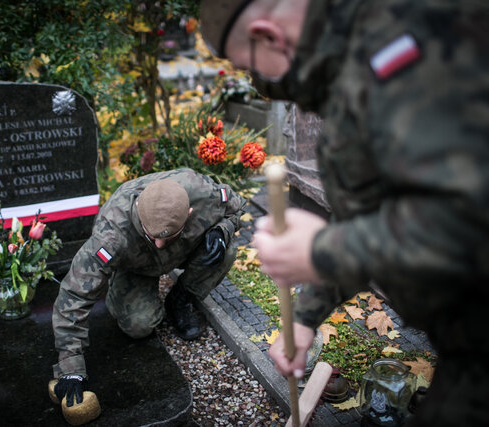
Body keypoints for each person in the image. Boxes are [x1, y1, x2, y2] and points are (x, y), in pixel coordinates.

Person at [200, 0, 489, 425]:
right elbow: (376, 218)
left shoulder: (418, 44)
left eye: (250, 67)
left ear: (269, 36)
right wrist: (304, 318)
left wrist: (321, 250)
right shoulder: (344, 65)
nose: (259, 83)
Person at [51, 168, 246, 407]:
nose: (159, 244)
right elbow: (74, 294)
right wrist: (71, 368)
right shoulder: (111, 234)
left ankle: (180, 299)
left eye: (168, 236)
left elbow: (236, 208)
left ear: (190, 212)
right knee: (139, 326)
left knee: (226, 251)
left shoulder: (203, 192)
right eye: (150, 236)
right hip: (135, 267)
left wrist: (221, 230)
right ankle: (118, 291)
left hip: (183, 252)